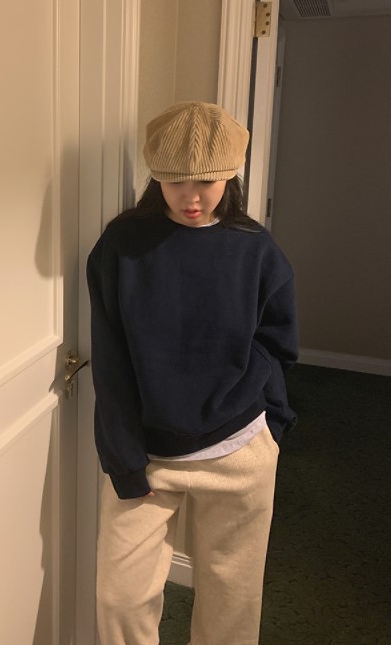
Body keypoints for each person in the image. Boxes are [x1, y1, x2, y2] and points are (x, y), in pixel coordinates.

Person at [86, 101, 298, 645]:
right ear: (155, 176)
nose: (192, 197)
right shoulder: (121, 248)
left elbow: (278, 345)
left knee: (232, 603)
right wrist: (124, 459)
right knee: (120, 599)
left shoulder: (257, 252)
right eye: (174, 181)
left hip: (240, 452)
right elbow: (110, 361)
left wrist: (273, 425)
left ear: (231, 175)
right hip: (149, 455)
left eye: (207, 181)